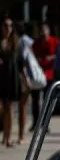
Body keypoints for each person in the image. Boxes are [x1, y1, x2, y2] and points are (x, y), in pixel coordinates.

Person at [0, 18, 28, 147]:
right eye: (6, 25)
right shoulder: (1, 43)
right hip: (2, 79)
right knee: (5, 108)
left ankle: (11, 137)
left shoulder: (16, 43)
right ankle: (6, 137)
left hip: (13, 80)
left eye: (10, 25)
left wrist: (26, 79)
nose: (8, 28)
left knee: (11, 108)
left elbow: (22, 64)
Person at [31, 23, 59, 130]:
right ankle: (35, 123)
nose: (43, 36)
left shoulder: (54, 41)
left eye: (44, 33)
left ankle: (45, 124)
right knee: (35, 100)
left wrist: (51, 57)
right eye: (41, 33)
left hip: (49, 74)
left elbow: (58, 54)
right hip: (37, 75)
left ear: (48, 32)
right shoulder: (36, 43)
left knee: (47, 100)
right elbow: (32, 55)